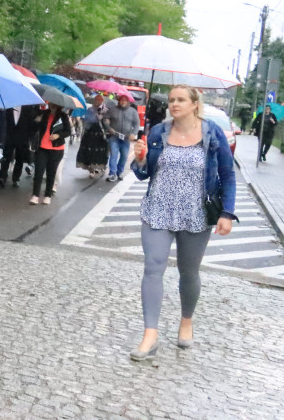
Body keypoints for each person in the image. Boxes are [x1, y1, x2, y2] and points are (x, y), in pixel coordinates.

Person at [128, 85, 236, 361]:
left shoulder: (212, 134)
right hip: (158, 209)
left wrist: (227, 212)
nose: (174, 104)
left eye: (181, 100)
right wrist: (140, 159)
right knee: (153, 268)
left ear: (194, 104)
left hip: (196, 213)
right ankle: (150, 334)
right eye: (171, 100)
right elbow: (145, 173)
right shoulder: (158, 132)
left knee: (189, 272)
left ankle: (186, 320)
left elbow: (227, 174)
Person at [30, 102, 71, 205]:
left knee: (51, 173)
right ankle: (35, 195)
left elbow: (68, 131)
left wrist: (58, 135)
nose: (52, 105)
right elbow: (34, 127)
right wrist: (36, 121)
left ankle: (47, 195)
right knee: (39, 172)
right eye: (51, 103)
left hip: (56, 148)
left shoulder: (63, 116)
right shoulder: (44, 113)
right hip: (42, 148)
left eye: (55, 104)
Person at [0, 106, 35, 187]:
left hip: (22, 137)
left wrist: (28, 137)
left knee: (19, 159)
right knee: (6, 156)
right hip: (9, 135)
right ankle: (2, 176)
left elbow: (31, 125)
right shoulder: (9, 106)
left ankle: (16, 179)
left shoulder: (28, 108)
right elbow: (4, 121)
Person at [103, 94, 139, 182]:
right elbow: (105, 119)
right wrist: (109, 128)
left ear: (128, 102)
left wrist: (133, 133)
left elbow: (137, 124)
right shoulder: (113, 110)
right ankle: (112, 173)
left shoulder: (133, 112)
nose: (123, 102)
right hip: (114, 136)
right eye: (121, 100)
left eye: (125, 100)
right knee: (113, 155)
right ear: (119, 101)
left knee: (124, 156)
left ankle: (119, 172)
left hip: (126, 138)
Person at [76, 93, 111, 178]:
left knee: (100, 152)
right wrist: (94, 117)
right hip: (90, 133)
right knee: (90, 152)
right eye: (96, 100)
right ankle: (91, 168)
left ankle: (99, 166)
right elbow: (86, 119)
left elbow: (108, 122)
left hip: (101, 134)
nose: (97, 102)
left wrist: (104, 120)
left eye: (99, 100)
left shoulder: (106, 110)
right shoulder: (90, 109)